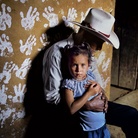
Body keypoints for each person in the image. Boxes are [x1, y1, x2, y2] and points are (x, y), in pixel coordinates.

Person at [42, 8, 138, 138]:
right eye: (97, 42)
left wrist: (102, 96)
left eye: (101, 43)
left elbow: (97, 82)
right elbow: (52, 98)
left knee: (131, 115)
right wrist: (86, 105)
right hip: (70, 110)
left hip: (93, 102)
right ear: (83, 32)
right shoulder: (56, 52)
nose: (99, 48)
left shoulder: (88, 53)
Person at [61, 42, 110, 138]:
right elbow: (71, 109)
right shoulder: (69, 84)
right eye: (74, 65)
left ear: (88, 65)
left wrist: (103, 94)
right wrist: (89, 93)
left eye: (83, 65)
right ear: (68, 64)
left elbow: (99, 89)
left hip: (102, 125)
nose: (79, 70)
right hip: (88, 131)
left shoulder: (90, 75)